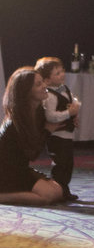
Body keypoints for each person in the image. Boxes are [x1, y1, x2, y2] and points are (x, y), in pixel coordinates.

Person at [0, 67, 63, 206]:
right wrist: (47, 131)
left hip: (19, 168)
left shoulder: (38, 112)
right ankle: (2, 197)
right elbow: (32, 155)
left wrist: (72, 118)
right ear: (26, 91)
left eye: (42, 82)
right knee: (48, 196)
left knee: (58, 191)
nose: (45, 86)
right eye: (38, 84)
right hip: (6, 172)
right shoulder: (15, 122)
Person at [35, 56, 80, 201]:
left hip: (67, 135)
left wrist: (74, 114)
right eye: (57, 73)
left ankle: (64, 189)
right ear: (47, 80)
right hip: (57, 136)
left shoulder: (64, 88)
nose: (62, 74)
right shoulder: (50, 96)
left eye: (62, 71)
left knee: (68, 164)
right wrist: (68, 113)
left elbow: (73, 102)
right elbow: (51, 116)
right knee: (60, 165)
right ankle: (58, 190)